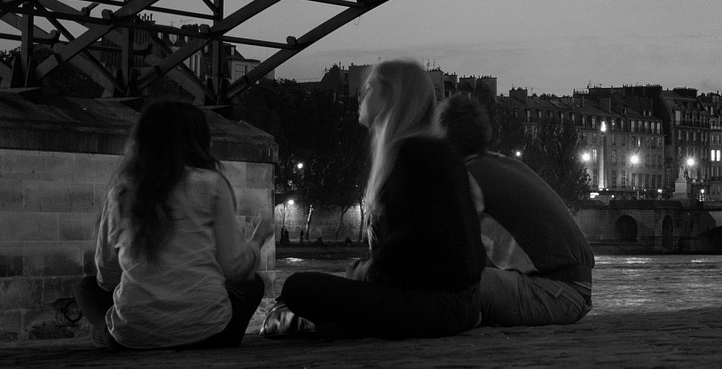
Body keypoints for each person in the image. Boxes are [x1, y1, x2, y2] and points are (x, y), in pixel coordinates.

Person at [261, 59, 485, 340]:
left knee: (297, 287)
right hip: (460, 304)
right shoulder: (438, 152)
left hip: (434, 305)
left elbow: (416, 238)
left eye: (369, 89)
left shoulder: (411, 154)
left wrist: (371, 268)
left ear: (391, 97)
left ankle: (317, 323)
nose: (361, 96)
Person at [74, 100, 271, 350]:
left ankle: (109, 332)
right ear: (198, 140)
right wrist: (258, 238)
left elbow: (106, 276)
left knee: (86, 288)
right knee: (253, 285)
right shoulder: (212, 184)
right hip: (211, 335)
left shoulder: (122, 192)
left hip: (132, 339)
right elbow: (233, 268)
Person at [436, 94, 594, 325]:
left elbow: (449, 249)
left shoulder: (467, 178)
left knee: (445, 285)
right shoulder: (506, 164)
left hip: (556, 292)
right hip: (572, 288)